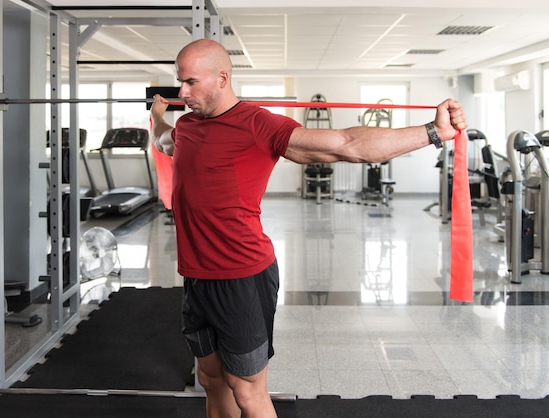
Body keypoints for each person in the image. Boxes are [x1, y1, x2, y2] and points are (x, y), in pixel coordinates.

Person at [150, 38, 467, 418]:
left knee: (247, 391)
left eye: (190, 83)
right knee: (211, 379)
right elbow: (163, 139)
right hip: (196, 276)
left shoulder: (257, 123)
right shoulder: (186, 125)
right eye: (179, 83)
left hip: (241, 276)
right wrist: (156, 115)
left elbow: (347, 144)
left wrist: (434, 131)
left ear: (222, 78)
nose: (182, 93)